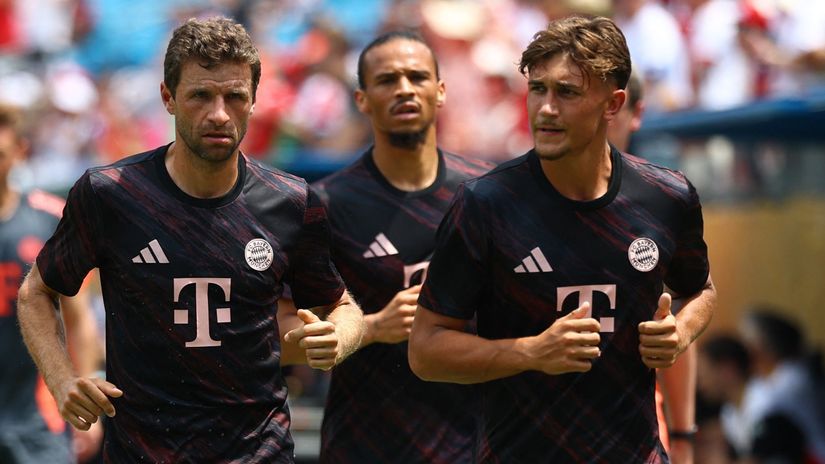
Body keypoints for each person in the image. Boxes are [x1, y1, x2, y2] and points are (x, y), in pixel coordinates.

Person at [16, 17, 364, 463]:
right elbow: (36, 292)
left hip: (257, 453)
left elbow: (342, 306)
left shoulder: (291, 202)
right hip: (143, 452)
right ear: (168, 97)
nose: (219, 113)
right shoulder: (112, 194)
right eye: (201, 94)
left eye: (235, 96)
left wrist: (340, 338)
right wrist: (62, 379)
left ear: (254, 101)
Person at [409, 15, 716, 462]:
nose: (546, 108)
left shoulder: (666, 196)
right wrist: (531, 352)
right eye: (538, 89)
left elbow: (701, 291)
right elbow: (425, 350)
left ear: (613, 104)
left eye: (566, 92)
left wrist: (680, 331)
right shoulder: (485, 204)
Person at [281, 31, 491, 463]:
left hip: (474, 445)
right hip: (363, 446)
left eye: (417, 76)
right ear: (362, 99)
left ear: (441, 90)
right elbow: (276, 337)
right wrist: (373, 326)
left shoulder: (486, 195)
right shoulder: (324, 204)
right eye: (387, 79)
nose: (404, 89)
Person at [0, 104, 102, 462]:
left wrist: (83, 394)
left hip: (38, 419)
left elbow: (79, 319)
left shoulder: (49, 218)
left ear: (20, 152)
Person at [607, 71, 700, 464]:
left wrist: (681, 436)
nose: (599, 115)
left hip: (640, 437)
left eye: (613, 105)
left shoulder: (662, 201)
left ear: (635, 112)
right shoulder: (511, 201)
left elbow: (679, 317)